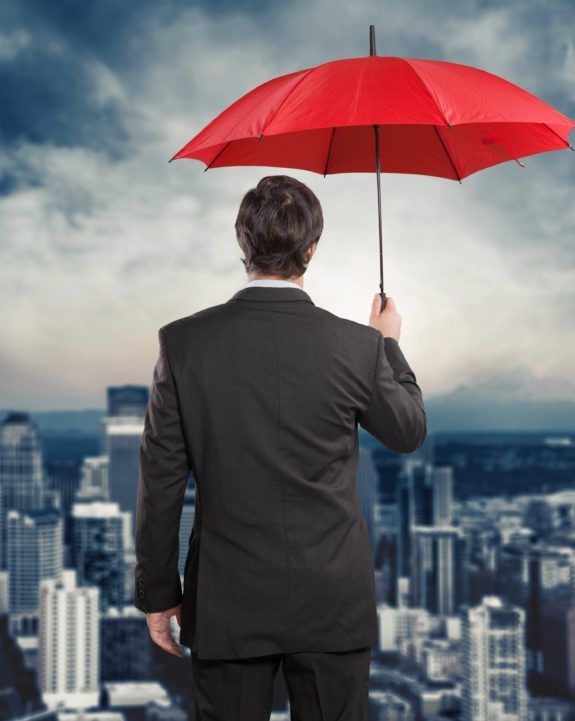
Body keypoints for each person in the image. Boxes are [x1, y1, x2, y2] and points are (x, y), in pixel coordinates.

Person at [134, 174, 427, 720]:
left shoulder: (183, 343)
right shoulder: (356, 347)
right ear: (311, 249)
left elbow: (161, 480)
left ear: (242, 243)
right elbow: (408, 431)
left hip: (226, 597)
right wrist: (387, 344)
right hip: (332, 597)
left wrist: (157, 593)